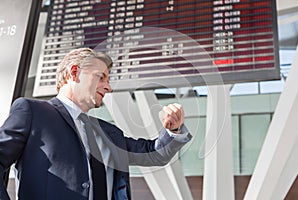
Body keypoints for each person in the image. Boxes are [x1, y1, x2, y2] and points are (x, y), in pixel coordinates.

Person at [0, 48, 192, 200]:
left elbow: (153, 155)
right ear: (74, 73)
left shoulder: (108, 132)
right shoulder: (33, 112)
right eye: (101, 77)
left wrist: (173, 129)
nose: (108, 87)